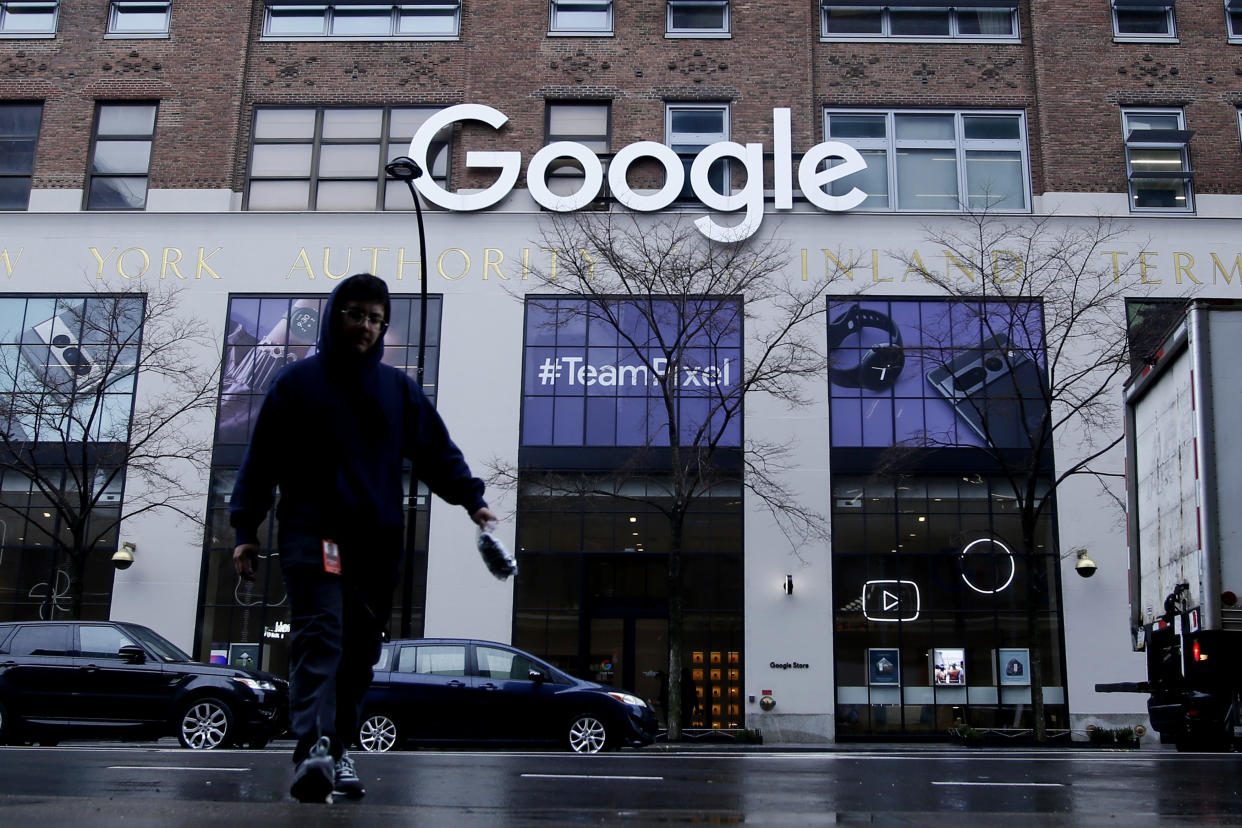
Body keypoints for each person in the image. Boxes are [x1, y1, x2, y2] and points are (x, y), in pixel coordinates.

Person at [231, 273, 496, 804]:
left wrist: (472, 499)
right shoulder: (295, 384)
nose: (365, 327)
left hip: (376, 545)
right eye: (355, 314)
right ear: (334, 315)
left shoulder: (397, 390)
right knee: (321, 637)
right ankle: (312, 749)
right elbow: (260, 461)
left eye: (375, 319)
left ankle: (339, 748)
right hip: (314, 535)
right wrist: (246, 530)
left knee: (359, 654)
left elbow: (435, 452)